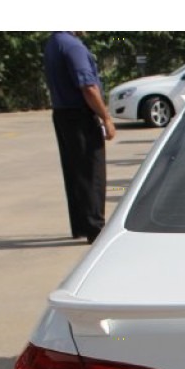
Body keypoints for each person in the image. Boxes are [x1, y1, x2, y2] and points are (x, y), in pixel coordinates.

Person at [43, 32, 115, 244]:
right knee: (92, 172)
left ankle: (81, 225)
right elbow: (88, 87)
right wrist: (106, 118)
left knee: (75, 173)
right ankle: (95, 228)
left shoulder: (54, 43)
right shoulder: (73, 47)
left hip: (62, 114)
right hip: (80, 115)